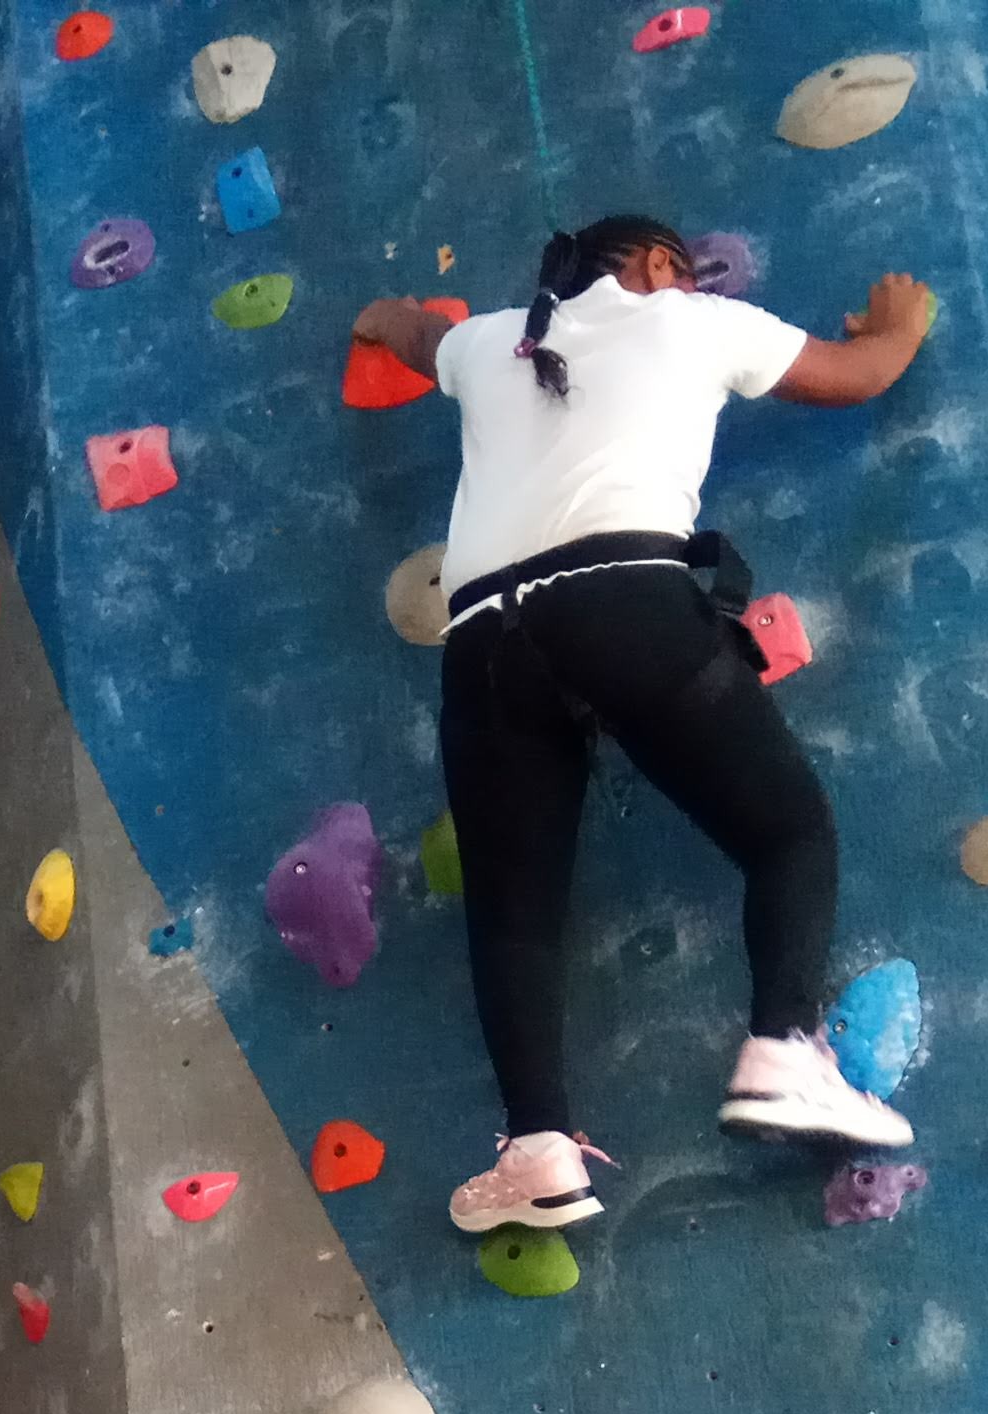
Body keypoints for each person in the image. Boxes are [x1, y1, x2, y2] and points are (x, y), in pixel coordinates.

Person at [351, 217, 935, 1237]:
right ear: (661, 267)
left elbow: (407, 332)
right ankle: (783, 1052)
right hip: (620, 600)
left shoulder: (488, 343)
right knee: (785, 830)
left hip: (483, 635)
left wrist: (376, 317)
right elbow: (861, 372)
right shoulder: (694, 320)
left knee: (512, 915)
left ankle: (536, 1147)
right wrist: (898, 323)